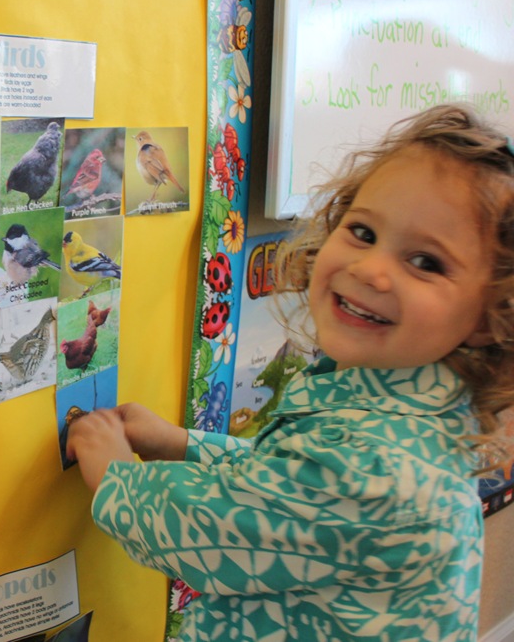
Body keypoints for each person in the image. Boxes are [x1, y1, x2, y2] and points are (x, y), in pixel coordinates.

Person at [65, 104, 514, 642]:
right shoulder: (399, 403)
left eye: (426, 263)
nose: (371, 269)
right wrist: (184, 445)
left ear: (490, 316)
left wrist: (116, 475)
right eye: (363, 231)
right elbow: (285, 486)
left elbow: (219, 530)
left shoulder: (379, 466)